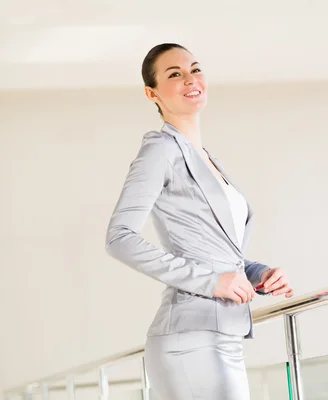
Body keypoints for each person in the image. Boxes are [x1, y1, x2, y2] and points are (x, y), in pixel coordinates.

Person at [105, 43, 294, 400]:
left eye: (195, 69)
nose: (191, 79)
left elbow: (218, 253)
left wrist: (259, 274)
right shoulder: (160, 149)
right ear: (152, 93)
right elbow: (119, 238)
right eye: (174, 74)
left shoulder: (206, 158)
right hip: (190, 340)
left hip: (224, 336)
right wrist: (211, 282)